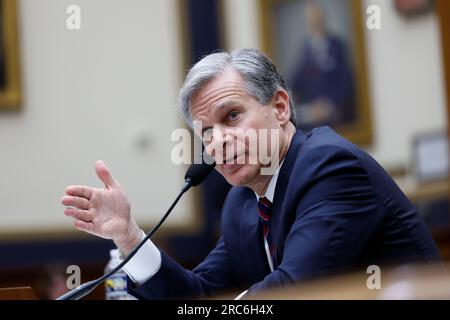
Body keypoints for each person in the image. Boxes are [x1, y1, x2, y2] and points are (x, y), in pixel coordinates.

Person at [61, 48, 441, 299]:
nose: (218, 142)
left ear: (279, 107)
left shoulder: (331, 168)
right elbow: (200, 295)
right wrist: (130, 237)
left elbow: (293, 292)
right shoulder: (242, 203)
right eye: (206, 132)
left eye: (232, 117)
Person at [290, 1, 356, 129]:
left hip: (336, 115)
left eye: (317, 17)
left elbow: (345, 82)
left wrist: (331, 106)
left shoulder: (338, 45)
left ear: (323, 18)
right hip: (313, 118)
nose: (314, 21)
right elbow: (296, 83)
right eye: (311, 18)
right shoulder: (305, 50)